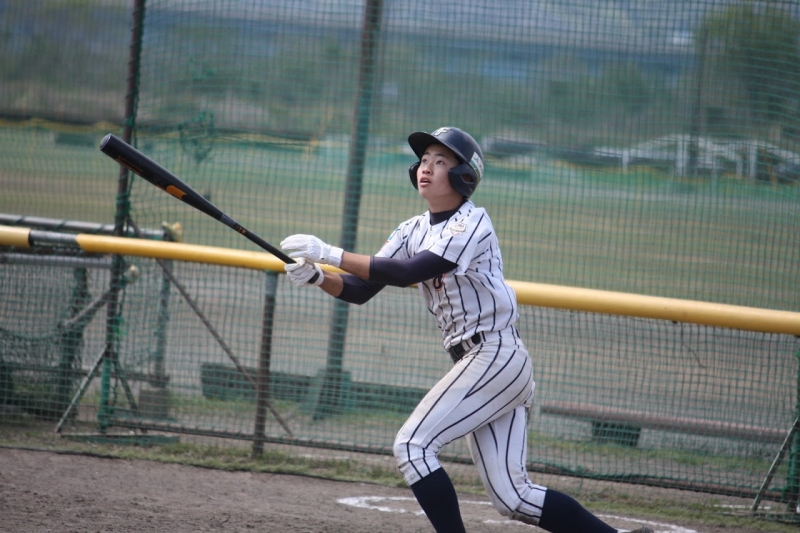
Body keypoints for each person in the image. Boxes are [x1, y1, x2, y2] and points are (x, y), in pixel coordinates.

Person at [280, 127, 652, 533]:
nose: (426, 168)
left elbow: (407, 272)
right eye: (424, 160)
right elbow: (361, 289)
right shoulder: (410, 229)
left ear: (463, 177)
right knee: (515, 498)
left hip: (494, 355)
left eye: (440, 162)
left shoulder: (471, 222)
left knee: (413, 446)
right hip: (485, 362)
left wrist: (330, 253)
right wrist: (320, 277)